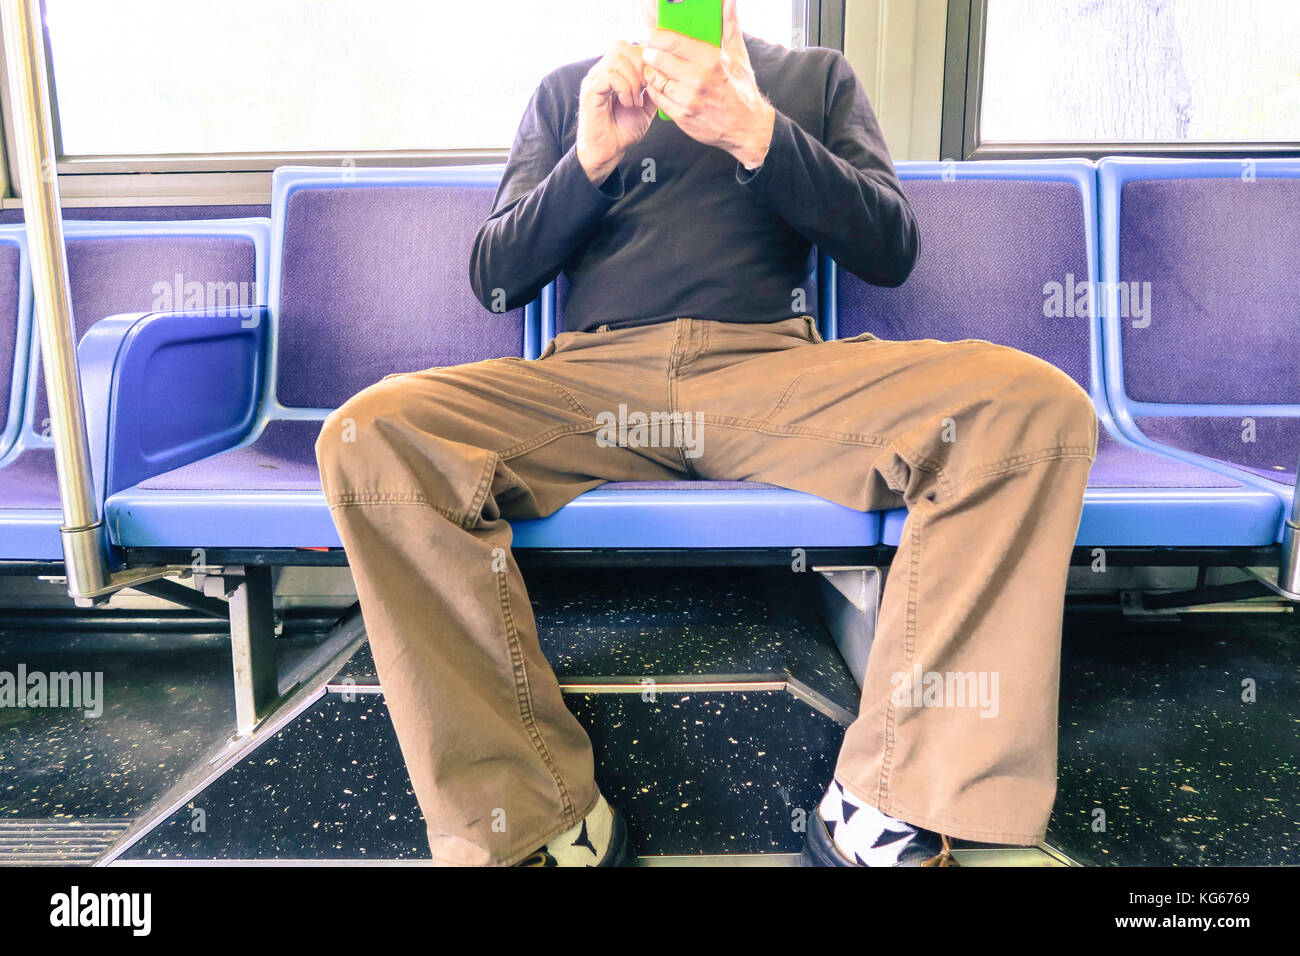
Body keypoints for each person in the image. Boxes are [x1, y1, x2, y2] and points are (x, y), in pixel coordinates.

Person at [316, 0, 1098, 867]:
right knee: (373, 434)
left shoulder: (815, 79)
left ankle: (890, 805)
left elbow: (889, 250)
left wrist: (756, 131)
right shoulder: (572, 93)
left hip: (771, 374)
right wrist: (590, 161)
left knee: (1029, 406)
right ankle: (535, 817)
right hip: (591, 384)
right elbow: (497, 279)